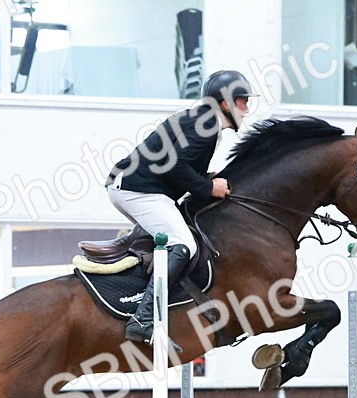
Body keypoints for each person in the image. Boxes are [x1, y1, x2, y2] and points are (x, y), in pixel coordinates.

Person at [107, 69, 254, 343]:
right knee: (184, 244)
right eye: (242, 100)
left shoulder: (202, 121)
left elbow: (178, 165)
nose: (247, 108)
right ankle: (144, 319)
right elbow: (175, 166)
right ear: (225, 103)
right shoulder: (207, 126)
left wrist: (206, 181)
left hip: (136, 187)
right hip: (137, 191)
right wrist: (209, 187)